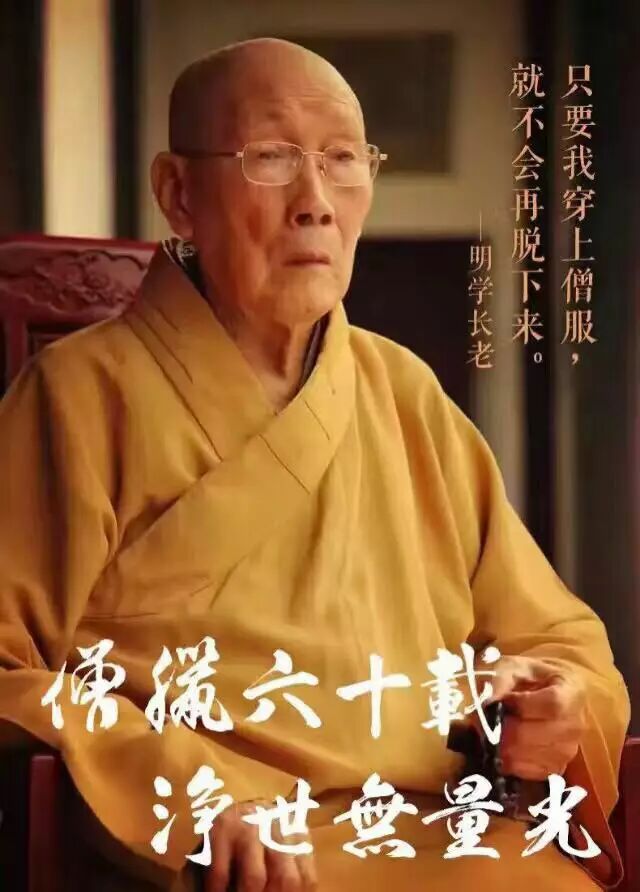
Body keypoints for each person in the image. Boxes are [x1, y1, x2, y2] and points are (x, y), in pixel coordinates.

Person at [0, 37, 630, 892]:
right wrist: (185, 790)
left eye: (342, 161)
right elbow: (10, 672)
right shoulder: (78, 396)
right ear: (179, 194)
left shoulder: (404, 393)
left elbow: (558, 640)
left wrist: (557, 702)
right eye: (270, 158)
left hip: (440, 834)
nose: (316, 204)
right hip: (234, 849)